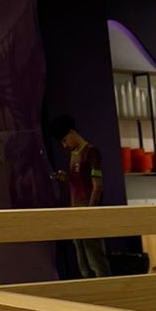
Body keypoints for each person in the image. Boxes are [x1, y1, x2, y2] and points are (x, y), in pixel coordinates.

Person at [48, 114, 110, 278]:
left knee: (95, 257)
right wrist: (67, 178)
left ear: (72, 132)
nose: (64, 145)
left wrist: (91, 212)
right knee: (82, 260)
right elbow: (78, 181)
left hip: (87, 208)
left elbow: (97, 186)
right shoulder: (74, 154)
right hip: (75, 209)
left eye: (64, 140)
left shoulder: (91, 152)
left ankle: (106, 287)